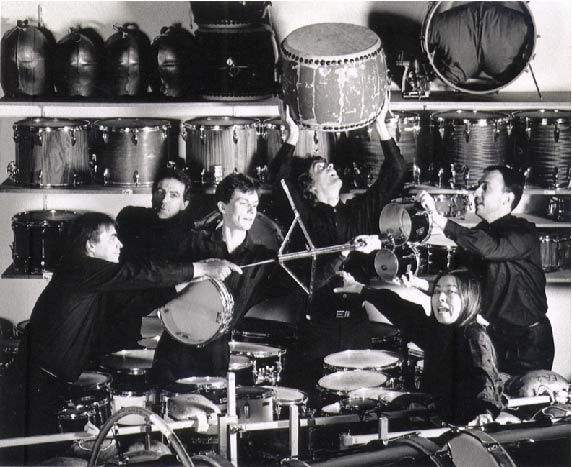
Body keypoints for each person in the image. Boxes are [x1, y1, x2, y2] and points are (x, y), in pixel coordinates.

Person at [6, 212, 238, 437]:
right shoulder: (79, 268)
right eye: (111, 238)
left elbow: (137, 301)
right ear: (90, 246)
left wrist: (189, 280)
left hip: (47, 384)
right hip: (32, 386)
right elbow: (139, 274)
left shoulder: (94, 281)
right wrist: (201, 268)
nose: (120, 245)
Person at [268, 97, 407, 397]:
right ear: (309, 186)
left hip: (358, 325)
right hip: (319, 329)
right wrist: (293, 135)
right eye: (322, 167)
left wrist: (380, 126)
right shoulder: (302, 215)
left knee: (360, 402)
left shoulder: (358, 211)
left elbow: (395, 172)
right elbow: (278, 179)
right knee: (317, 402)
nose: (331, 166)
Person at [417, 166, 554, 376]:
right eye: (477, 187)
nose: (476, 193)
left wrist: (440, 220)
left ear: (507, 199)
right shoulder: (477, 236)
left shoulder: (524, 232)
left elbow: (491, 248)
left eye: (485, 187)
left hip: (530, 344)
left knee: (526, 403)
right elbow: (460, 289)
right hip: (493, 337)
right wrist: (416, 284)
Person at [334, 269, 504, 426]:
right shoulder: (438, 329)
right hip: (433, 413)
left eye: (450, 292)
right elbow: (398, 307)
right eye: (437, 291)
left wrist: (485, 412)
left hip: (459, 425)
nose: (441, 297)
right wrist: (359, 288)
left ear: (468, 298)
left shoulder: (474, 335)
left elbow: (485, 377)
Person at [112, 167, 199, 349]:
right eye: (160, 192)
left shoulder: (190, 236)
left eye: (174, 195)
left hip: (174, 318)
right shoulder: (131, 219)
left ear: (185, 204)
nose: (164, 200)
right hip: (125, 313)